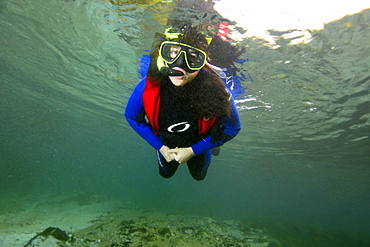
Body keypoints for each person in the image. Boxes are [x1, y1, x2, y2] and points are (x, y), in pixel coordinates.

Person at [125, 26, 241, 181]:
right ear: (163, 55)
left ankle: (213, 146)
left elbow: (233, 127)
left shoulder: (218, 92)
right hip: (165, 144)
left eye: (193, 58)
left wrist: (193, 151)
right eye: (173, 53)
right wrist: (161, 148)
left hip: (199, 142)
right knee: (166, 174)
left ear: (202, 63)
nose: (179, 65)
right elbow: (131, 115)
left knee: (199, 176)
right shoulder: (148, 86)